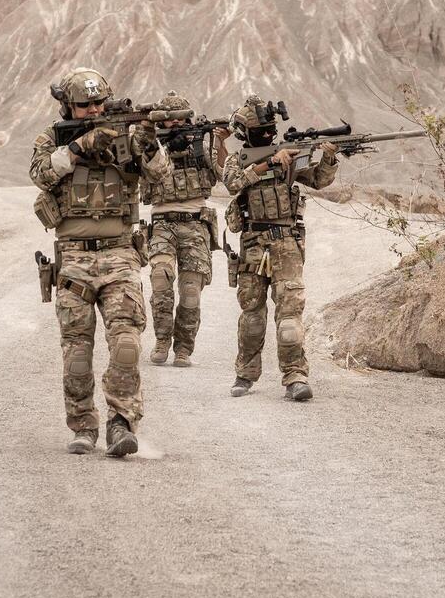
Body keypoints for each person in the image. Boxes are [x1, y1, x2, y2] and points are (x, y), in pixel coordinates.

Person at [29, 68, 171, 457]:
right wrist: (79, 147)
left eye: (99, 103)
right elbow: (41, 175)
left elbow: (161, 177)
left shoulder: (126, 137)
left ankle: (121, 422)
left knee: (126, 344)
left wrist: (148, 142)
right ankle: (83, 426)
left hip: (120, 251)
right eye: (84, 104)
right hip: (73, 258)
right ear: (68, 106)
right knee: (77, 354)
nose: (94, 110)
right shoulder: (52, 139)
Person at [221, 94, 337, 401]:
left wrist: (328, 157)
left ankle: (295, 376)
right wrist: (268, 163)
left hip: (286, 243)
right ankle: (245, 375)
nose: (268, 133)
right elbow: (232, 184)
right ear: (245, 133)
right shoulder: (238, 160)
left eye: (270, 127)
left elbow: (318, 180)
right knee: (252, 316)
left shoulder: (290, 153)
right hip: (253, 244)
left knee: (289, 317)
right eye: (261, 128)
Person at [141, 90, 227, 367]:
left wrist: (219, 142)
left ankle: (184, 348)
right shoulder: (148, 143)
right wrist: (162, 148)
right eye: (169, 120)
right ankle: (162, 340)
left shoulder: (201, 141)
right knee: (160, 281)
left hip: (195, 223)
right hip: (162, 223)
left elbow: (222, 174)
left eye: (180, 120)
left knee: (191, 291)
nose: (175, 125)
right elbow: (143, 173)